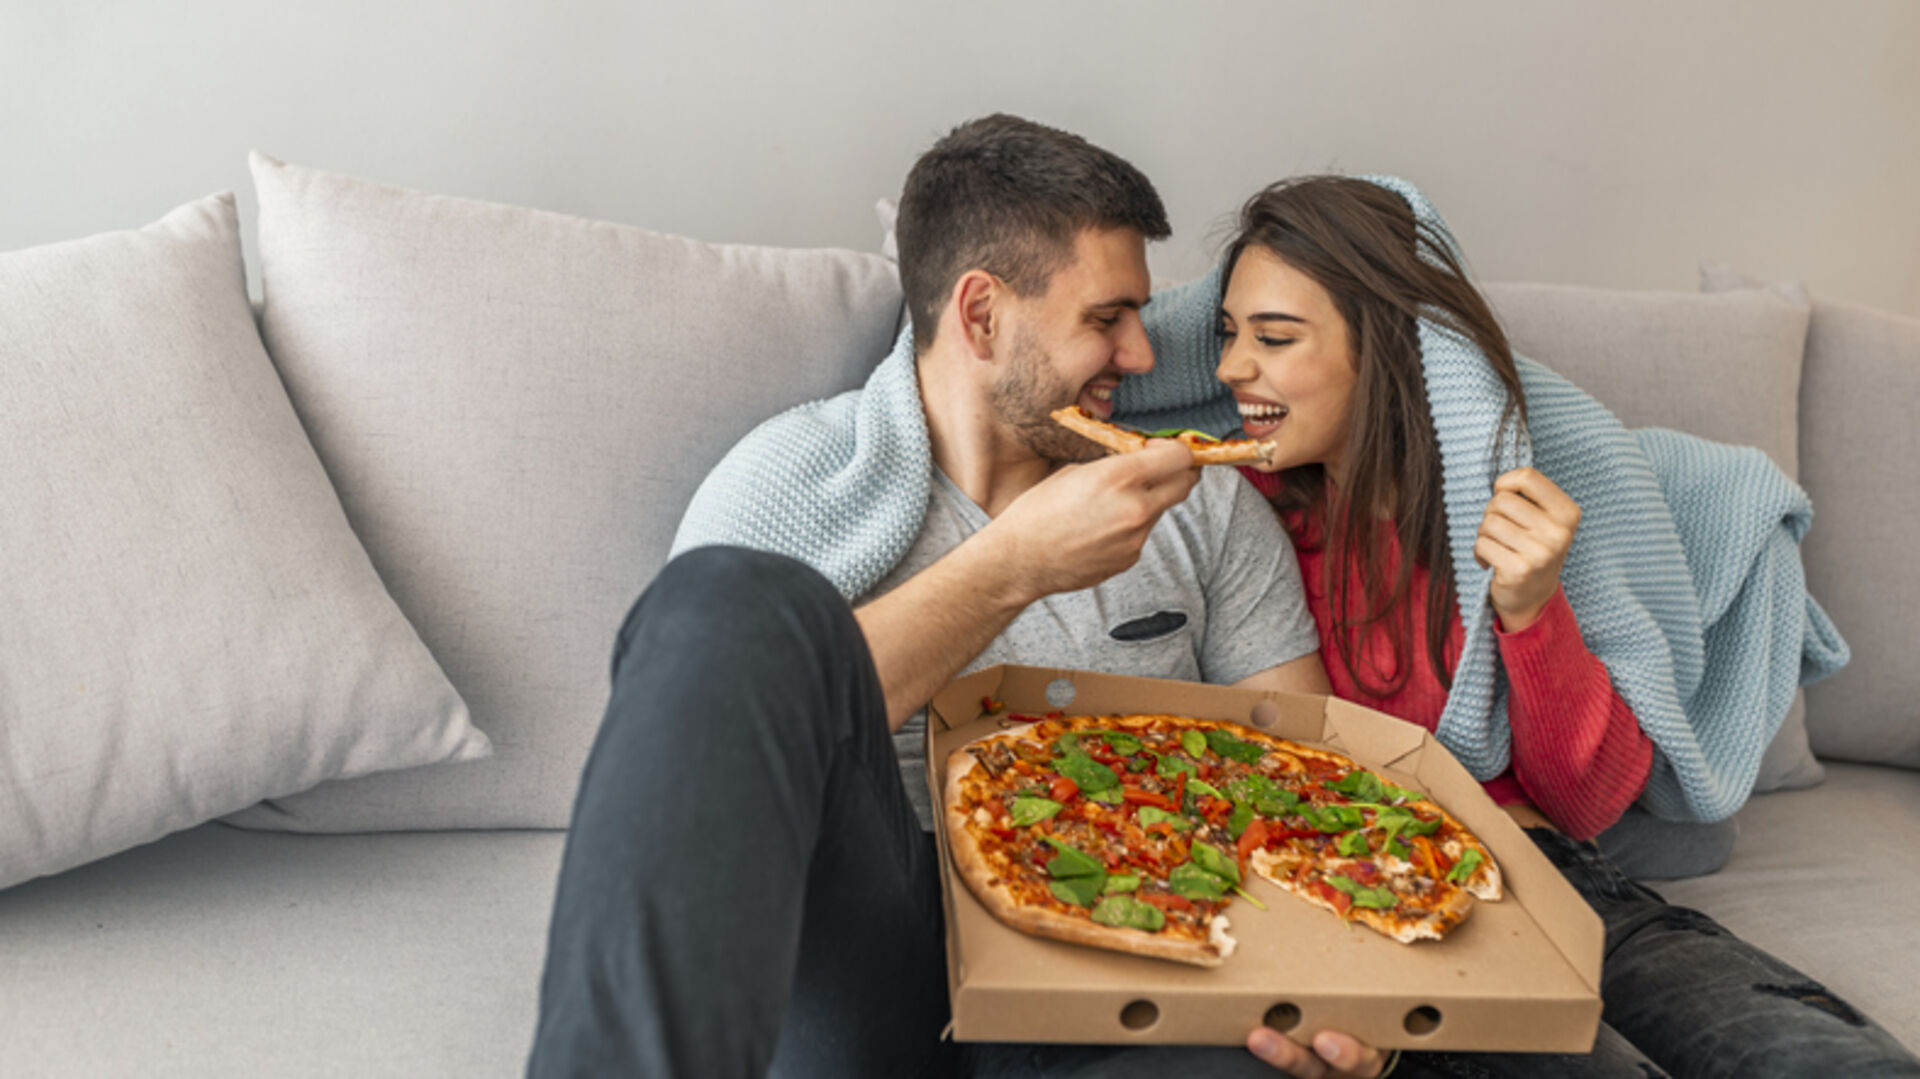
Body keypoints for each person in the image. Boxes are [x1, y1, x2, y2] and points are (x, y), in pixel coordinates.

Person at [526, 116, 1396, 1079]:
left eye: (1141, 316)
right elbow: (687, 770)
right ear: (980, 315)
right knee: (726, 602)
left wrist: (1354, 1021)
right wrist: (1013, 565)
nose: (1145, 356)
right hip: (874, 965)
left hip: (1137, 976)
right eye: (1105, 319)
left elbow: (1320, 786)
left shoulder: (1206, 507)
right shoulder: (790, 480)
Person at [1122, 173, 1920, 1076]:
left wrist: (1534, 608)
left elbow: (1588, 804)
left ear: (1386, 349)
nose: (1229, 368)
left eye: (1273, 337)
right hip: (1380, 902)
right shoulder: (1240, 514)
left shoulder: (1500, 506)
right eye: (1227, 334)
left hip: (1559, 875)